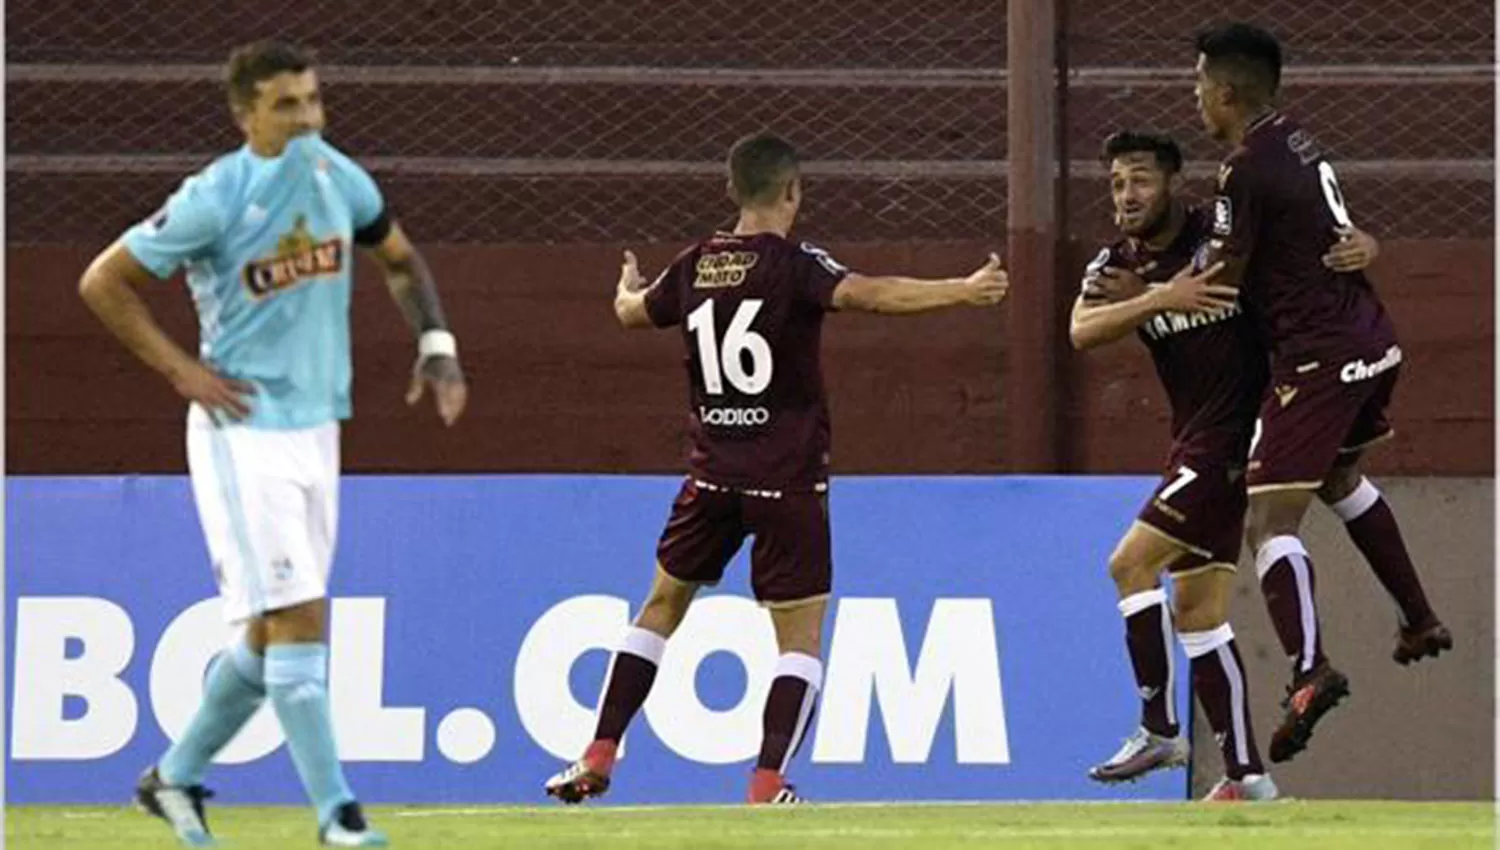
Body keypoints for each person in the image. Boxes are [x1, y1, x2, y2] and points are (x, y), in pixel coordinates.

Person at [78, 40, 467, 847]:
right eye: (287, 105)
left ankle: (174, 779)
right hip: (242, 432)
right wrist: (183, 371)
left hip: (318, 430)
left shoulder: (337, 177)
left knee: (266, 640)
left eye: (313, 101)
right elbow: (103, 282)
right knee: (298, 617)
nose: (306, 118)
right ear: (244, 112)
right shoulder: (216, 197)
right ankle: (338, 817)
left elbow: (397, 258)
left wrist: (436, 345)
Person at [543, 131, 1008, 805]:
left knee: (660, 607)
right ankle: (767, 784)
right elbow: (872, 294)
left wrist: (623, 289)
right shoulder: (793, 264)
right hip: (786, 480)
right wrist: (962, 291)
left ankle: (599, 750)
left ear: (732, 191)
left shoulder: (695, 263)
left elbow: (630, 312)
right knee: (799, 639)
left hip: (710, 479)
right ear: (793, 191)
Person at [1072, 130, 1381, 801]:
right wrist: (1158, 298)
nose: (1127, 195)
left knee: (1128, 564)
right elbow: (1080, 329)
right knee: (1199, 611)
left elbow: (1312, 248)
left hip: (1236, 439)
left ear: (1174, 184)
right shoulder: (1118, 260)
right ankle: (1246, 778)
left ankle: (1158, 726)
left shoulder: (1218, 242)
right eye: (1118, 182)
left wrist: (1366, 246)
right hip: (1192, 438)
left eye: (1142, 180)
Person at [1192, 22, 1449, 764]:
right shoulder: (1298, 140)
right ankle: (1420, 617)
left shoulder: (1242, 169)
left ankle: (1309, 669)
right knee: (1341, 477)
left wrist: (1153, 295)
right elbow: (1332, 230)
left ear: (1229, 91)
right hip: (1371, 337)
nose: (1196, 98)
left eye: (1200, 85)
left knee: (1268, 521)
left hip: (1318, 359)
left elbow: (1224, 282)